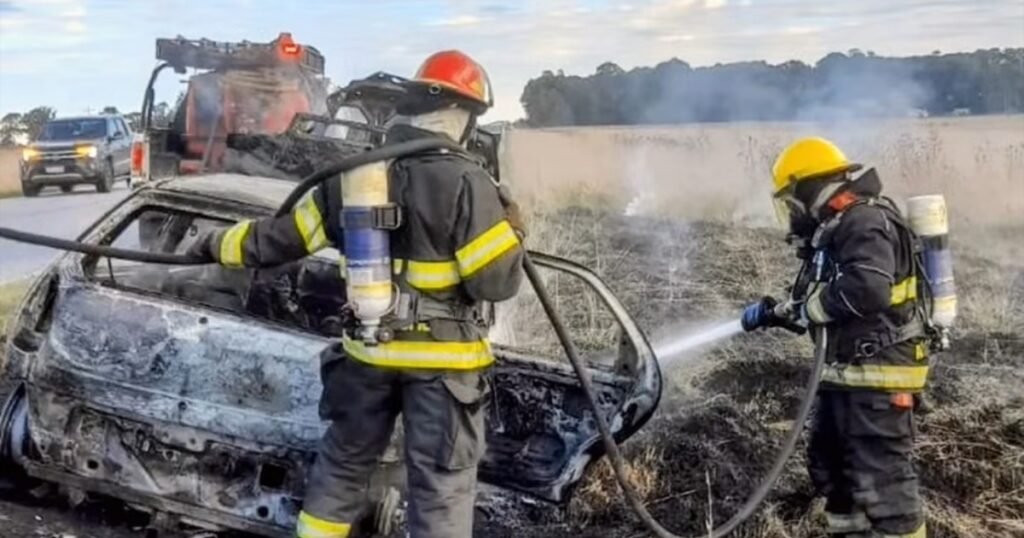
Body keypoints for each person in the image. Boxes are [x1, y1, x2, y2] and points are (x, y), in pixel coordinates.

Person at [188, 50, 526, 538]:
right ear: (462, 115)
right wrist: (515, 232)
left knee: (343, 467)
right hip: (443, 366)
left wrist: (214, 242)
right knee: (440, 486)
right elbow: (494, 283)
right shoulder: (468, 182)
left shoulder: (354, 175)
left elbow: (281, 239)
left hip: (367, 352)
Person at [741, 137, 929, 538]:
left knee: (883, 484)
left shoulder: (864, 221)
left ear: (807, 188)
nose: (791, 213)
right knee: (834, 473)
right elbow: (820, 298)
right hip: (847, 377)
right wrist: (778, 312)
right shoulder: (835, 228)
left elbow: (868, 288)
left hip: (879, 378)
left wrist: (811, 308)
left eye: (791, 201)